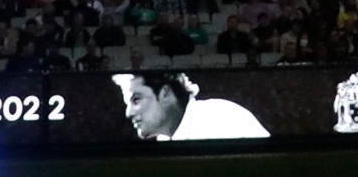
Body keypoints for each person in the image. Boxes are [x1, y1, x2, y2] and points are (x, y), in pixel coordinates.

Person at [114, 71, 270, 141]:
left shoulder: (220, 118)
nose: (129, 113)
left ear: (166, 93)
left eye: (136, 100)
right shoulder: (164, 137)